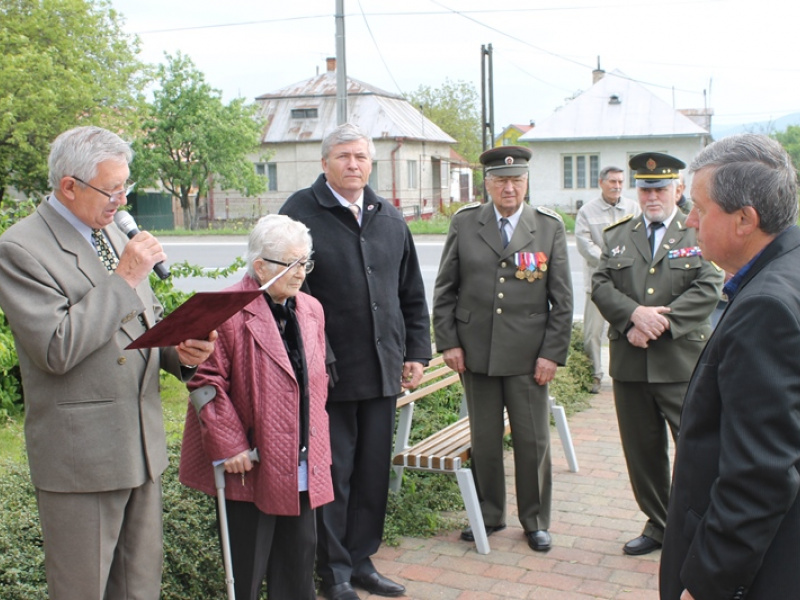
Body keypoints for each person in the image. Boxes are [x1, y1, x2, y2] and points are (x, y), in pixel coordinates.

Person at [0, 125, 216, 599]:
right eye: (111, 189)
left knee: (138, 588)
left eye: (126, 187)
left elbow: (138, 327)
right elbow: (56, 348)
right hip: (83, 458)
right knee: (83, 590)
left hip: (139, 445)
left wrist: (177, 353)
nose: (121, 200)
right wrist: (125, 277)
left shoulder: (113, 234)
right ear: (69, 186)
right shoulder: (20, 248)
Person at [279, 123, 431, 600]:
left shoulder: (388, 217)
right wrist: (309, 360)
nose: (353, 165)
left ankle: (362, 559)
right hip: (328, 376)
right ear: (324, 163)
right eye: (343, 156)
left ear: (371, 163)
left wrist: (416, 352)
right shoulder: (299, 215)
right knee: (334, 475)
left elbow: (411, 293)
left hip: (382, 369)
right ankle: (335, 571)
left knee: (370, 474)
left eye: (361, 157)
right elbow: (283, 296)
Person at [660, 134, 800, 600]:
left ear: (745, 220)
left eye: (700, 207)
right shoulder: (786, 269)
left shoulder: (767, 308)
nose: (690, 219)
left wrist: (708, 581)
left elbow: (759, 474)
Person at [179, 214, 333, 600]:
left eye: (306, 262)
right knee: (246, 567)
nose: (301, 273)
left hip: (300, 458)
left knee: (298, 563)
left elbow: (316, 377)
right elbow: (204, 381)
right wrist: (229, 444)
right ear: (260, 265)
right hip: (250, 461)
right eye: (292, 263)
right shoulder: (226, 310)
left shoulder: (311, 308)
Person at [432, 146, 573, 553]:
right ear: (487, 184)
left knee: (532, 443)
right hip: (475, 353)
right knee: (485, 440)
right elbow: (445, 290)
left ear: (526, 182)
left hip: (530, 358)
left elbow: (562, 300)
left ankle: (535, 520)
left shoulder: (547, 227)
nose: (508, 187)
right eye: (500, 180)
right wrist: (449, 342)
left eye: (516, 180)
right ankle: (489, 514)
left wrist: (551, 354)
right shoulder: (465, 223)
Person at [591, 151, 722, 557]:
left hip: (679, 362)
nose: (653, 196)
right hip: (630, 364)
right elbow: (600, 283)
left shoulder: (695, 230)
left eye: (661, 188)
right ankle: (661, 524)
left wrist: (657, 323)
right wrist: (632, 315)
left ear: (677, 190)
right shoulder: (618, 235)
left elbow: (709, 284)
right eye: (646, 188)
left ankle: (702, 526)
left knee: (696, 449)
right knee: (642, 453)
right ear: (637, 190)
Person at [574, 166, 639, 394]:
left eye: (621, 181)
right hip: (598, 283)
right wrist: (609, 262)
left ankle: (625, 373)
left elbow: (641, 240)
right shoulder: (588, 212)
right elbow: (584, 244)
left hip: (627, 284)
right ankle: (594, 374)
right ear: (601, 182)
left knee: (624, 328)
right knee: (593, 332)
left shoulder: (633, 208)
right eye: (612, 181)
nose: (617, 186)